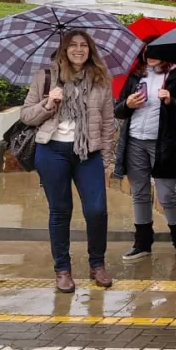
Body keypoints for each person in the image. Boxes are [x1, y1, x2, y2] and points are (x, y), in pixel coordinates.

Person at [20, 30, 115, 293]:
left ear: (90, 50)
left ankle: (97, 264)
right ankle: (62, 269)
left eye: (84, 45)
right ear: (64, 49)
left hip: (89, 154)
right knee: (60, 211)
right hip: (52, 152)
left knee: (97, 211)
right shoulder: (46, 76)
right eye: (72, 45)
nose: (78, 50)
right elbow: (26, 116)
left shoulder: (101, 80)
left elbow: (108, 123)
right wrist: (49, 102)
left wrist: (106, 160)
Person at [114, 48, 176, 263]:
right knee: (139, 194)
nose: (151, 54)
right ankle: (142, 244)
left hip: (164, 144)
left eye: (157, 50)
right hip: (134, 142)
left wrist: (170, 101)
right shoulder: (135, 75)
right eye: (147, 50)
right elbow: (118, 110)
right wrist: (128, 105)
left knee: (167, 195)